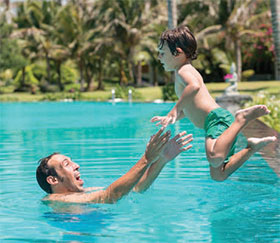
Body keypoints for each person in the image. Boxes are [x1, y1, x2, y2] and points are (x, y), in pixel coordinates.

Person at [151, 26, 277, 181]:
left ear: (178, 52)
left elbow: (194, 87)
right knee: (218, 175)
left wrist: (174, 110)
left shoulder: (183, 70)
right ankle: (252, 148)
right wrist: (173, 118)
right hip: (214, 122)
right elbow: (190, 106)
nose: (159, 57)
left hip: (216, 119)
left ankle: (241, 119)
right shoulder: (183, 71)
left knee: (214, 156)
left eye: (162, 53)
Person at [36, 127, 193, 204]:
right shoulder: (55, 200)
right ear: (53, 180)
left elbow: (135, 189)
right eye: (67, 164)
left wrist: (161, 160)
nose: (76, 165)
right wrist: (146, 159)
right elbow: (110, 196)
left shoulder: (84, 193)